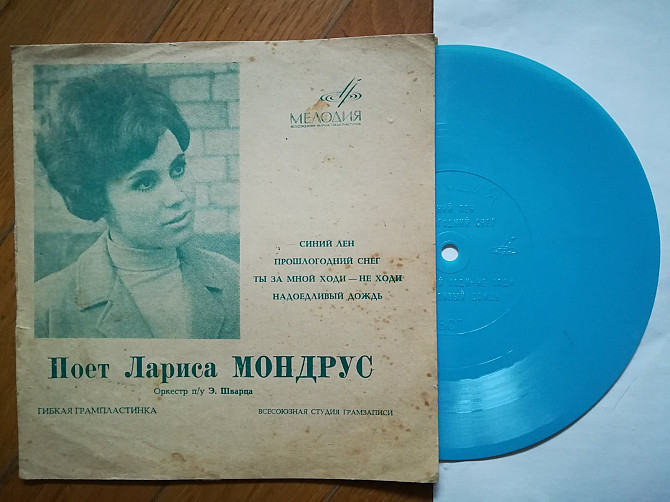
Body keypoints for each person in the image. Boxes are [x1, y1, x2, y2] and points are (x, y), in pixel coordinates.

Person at [34, 68, 239, 339]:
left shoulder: (233, 280)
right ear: (97, 197)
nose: (177, 196)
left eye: (178, 169)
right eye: (145, 183)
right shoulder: (45, 309)